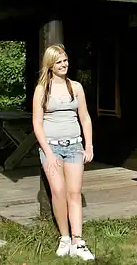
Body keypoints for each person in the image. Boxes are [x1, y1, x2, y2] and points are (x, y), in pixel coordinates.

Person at [32, 44, 95, 260]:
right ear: (50, 65)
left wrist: (89, 145)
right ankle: (65, 238)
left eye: (65, 60)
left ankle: (78, 241)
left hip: (75, 146)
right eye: (59, 62)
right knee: (58, 192)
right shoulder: (42, 89)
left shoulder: (75, 87)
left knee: (74, 193)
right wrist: (48, 153)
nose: (64, 65)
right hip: (52, 148)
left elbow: (85, 118)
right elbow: (37, 123)